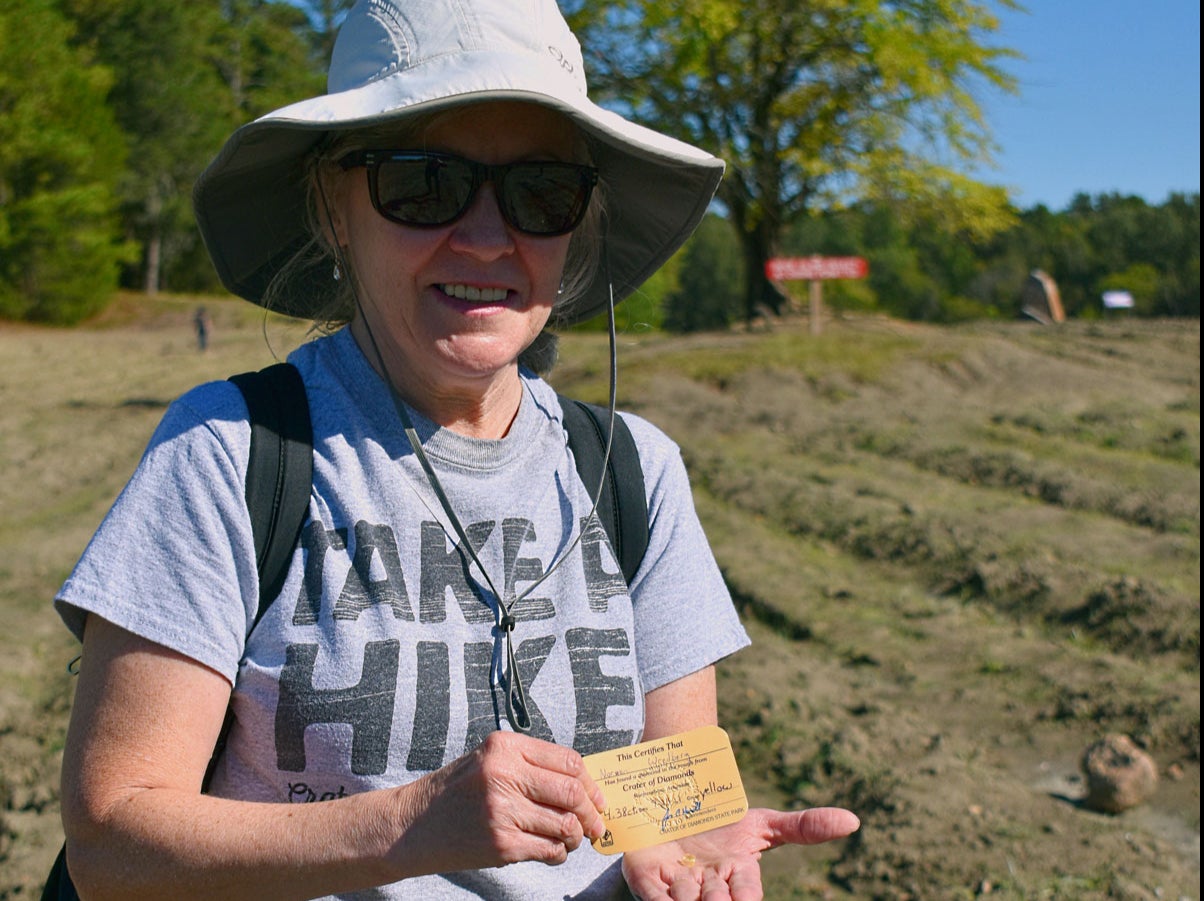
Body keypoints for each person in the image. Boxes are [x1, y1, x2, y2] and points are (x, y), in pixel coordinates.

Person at [54, 1, 859, 898]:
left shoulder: (636, 470)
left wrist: (691, 849)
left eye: (542, 192)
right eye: (423, 182)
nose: (485, 237)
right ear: (334, 205)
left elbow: (671, 798)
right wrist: (407, 822)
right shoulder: (230, 454)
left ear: (580, 221)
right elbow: (111, 840)